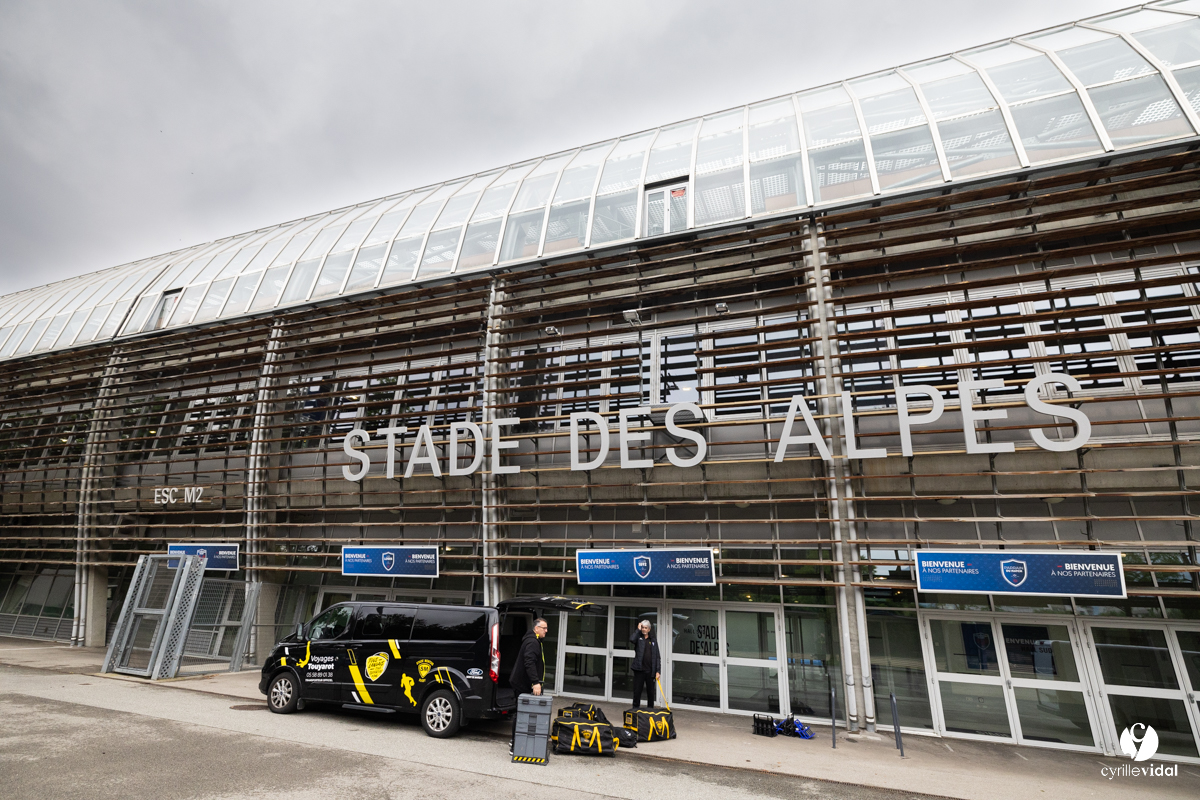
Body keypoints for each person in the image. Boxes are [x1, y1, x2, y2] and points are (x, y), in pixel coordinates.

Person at [509, 617, 548, 753]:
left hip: (522, 683)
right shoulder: (532, 642)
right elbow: (529, 662)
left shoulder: (533, 640)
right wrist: (535, 682)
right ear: (536, 628)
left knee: (521, 713)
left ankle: (516, 741)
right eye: (544, 628)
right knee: (522, 714)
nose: (546, 631)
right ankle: (515, 745)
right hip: (523, 684)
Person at [629, 619, 661, 709]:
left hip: (650, 671)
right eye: (642, 627)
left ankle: (650, 710)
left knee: (650, 693)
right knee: (637, 692)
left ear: (649, 629)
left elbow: (657, 656)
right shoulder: (638, 638)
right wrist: (638, 630)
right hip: (639, 670)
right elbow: (632, 639)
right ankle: (635, 710)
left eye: (645, 628)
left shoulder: (653, 640)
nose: (644, 629)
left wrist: (658, 671)